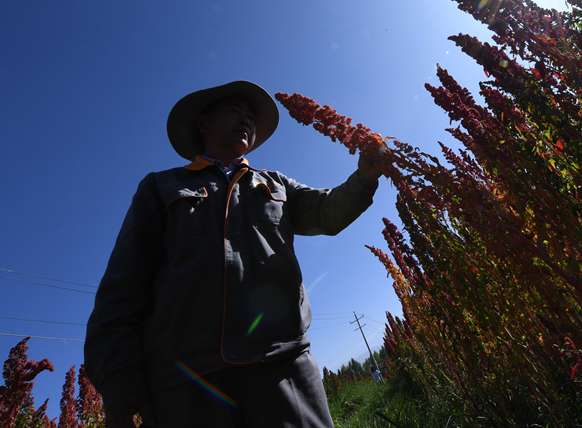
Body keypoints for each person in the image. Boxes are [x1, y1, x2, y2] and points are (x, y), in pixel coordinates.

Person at [85, 81, 383, 428]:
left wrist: (364, 178)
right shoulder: (160, 187)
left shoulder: (275, 184)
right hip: (187, 381)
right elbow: (123, 286)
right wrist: (120, 382)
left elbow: (327, 211)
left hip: (283, 365)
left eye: (251, 117)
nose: (246, 121)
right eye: (234, 111)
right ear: (203, 123)